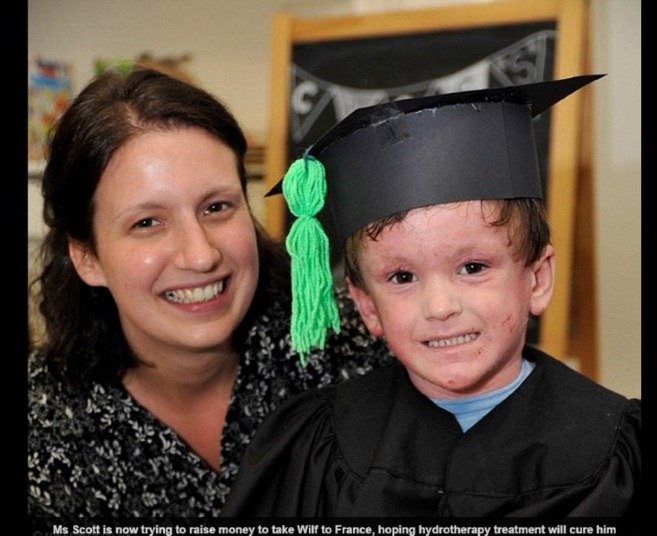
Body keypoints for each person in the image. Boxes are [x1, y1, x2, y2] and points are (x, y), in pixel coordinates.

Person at [220, 75, 641, 517]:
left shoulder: (618, 451)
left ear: (537, 279)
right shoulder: (312, 444)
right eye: (402, 277)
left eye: (473, 267)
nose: (440, 307)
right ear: (366, 306)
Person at [27, 67, 393, 519]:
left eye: (217, 207)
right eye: (147, 223)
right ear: (87, 257)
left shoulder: (354, 343)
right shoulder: (43, 431)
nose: (200, 256)